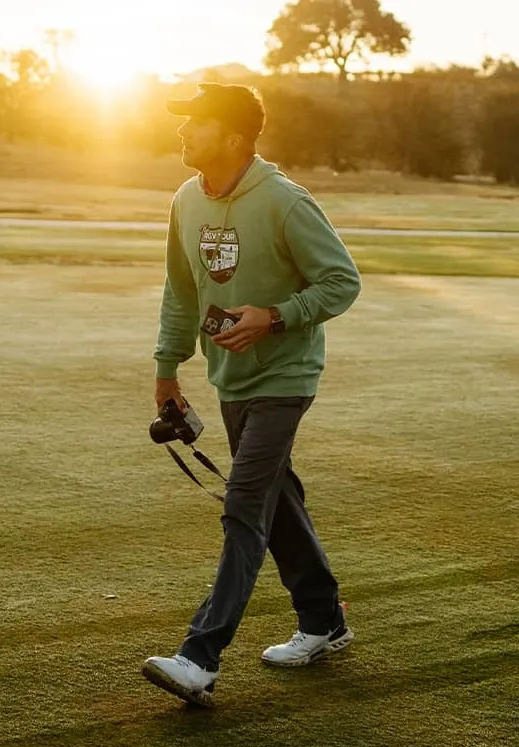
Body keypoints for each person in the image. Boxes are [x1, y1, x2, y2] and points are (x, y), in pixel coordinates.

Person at [141, 82, 362, 707]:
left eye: (197, 121)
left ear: (235, 136)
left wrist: (275, 315)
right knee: (276, 498)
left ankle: (199, 658)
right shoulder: (186, 200)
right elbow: (181, 291)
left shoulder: (285, 201)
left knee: (245, 503)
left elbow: (342, 281)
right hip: (230, 377)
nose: (184, 130)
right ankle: (325, 620)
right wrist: (166, 369)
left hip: (285, 377)